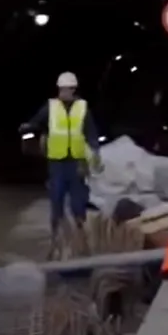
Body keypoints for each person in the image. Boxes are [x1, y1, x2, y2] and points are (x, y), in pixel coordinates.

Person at [19, 71, 102, 235]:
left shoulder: (82, 108)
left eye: (66, 89)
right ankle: (56, 234)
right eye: (61, 89)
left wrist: (94, 155)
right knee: (56, 199)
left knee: (78, 202)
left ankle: (80, 234)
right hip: (57, 163)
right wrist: (27, 128)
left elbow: (91, 134)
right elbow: (36, 123)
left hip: (77, 163)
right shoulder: (50, 107)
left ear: (73, 89)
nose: (63, 92)